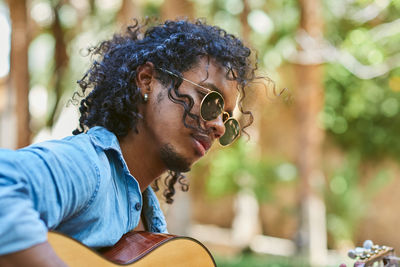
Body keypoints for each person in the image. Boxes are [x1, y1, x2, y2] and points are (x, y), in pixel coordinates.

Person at [0, 18, 259, 266]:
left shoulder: (149, 223)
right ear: (147, 80)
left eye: (227, 119)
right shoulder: (92, 168)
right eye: (208, 100)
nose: (218, 126)